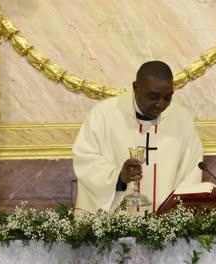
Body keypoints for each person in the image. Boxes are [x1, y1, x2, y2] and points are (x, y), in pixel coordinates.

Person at [73, 61, 203, 213]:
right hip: (114, 224)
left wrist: (175, 214)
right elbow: (86, 160)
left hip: (165, 226)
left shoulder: (182, 120)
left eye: (167, 97)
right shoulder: (103, 115)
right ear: (135, 87)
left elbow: (191, 170)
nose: (160, 105)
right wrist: (118, 178)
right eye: (153, 96)